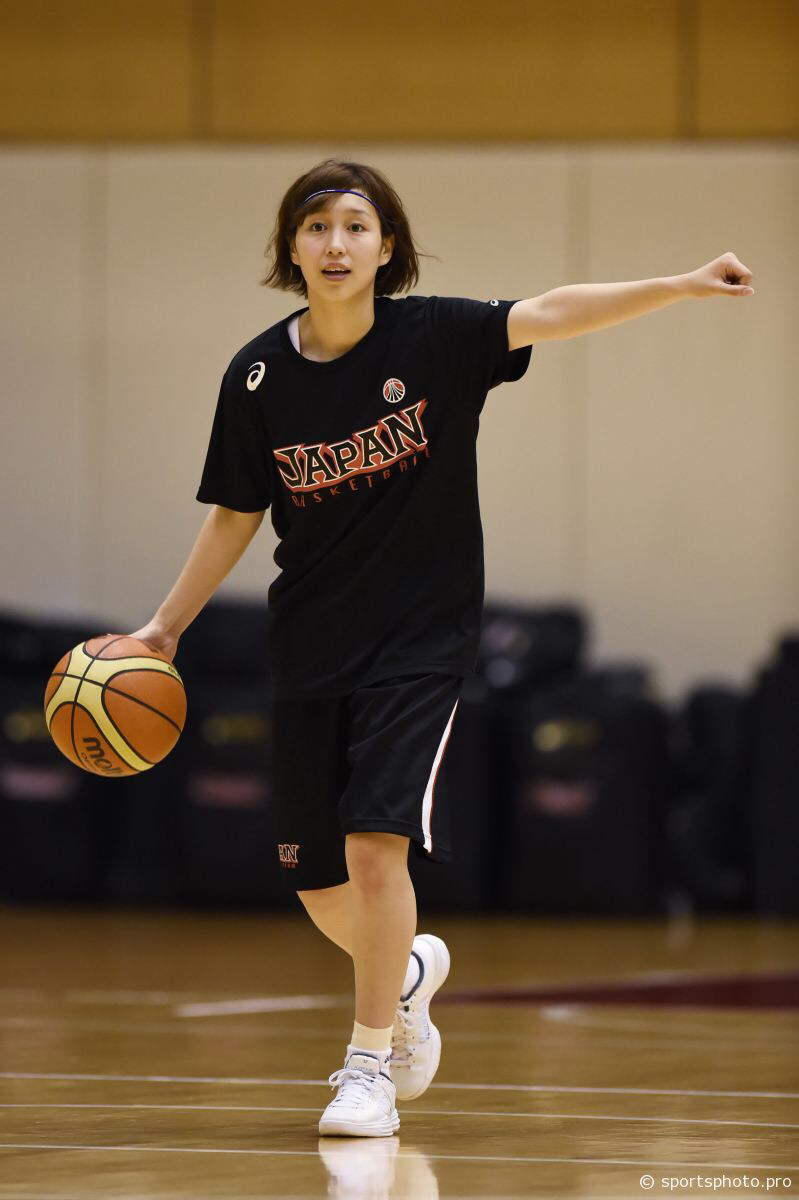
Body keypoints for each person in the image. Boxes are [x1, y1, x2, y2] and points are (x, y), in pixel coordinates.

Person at [130, 157, 754, 1138]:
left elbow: (552, 310)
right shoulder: (256, 376)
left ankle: (368, 1066)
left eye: (355, 225)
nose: (336, 244)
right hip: (310, 644)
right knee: (319, 887)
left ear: (387, 246)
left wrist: (676, 285)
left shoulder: (436, 337)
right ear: (291, 248)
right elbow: (234, 515)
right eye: (315, 227)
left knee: (376, 851)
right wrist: (164, 628)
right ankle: (410, 969)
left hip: (420, 642)